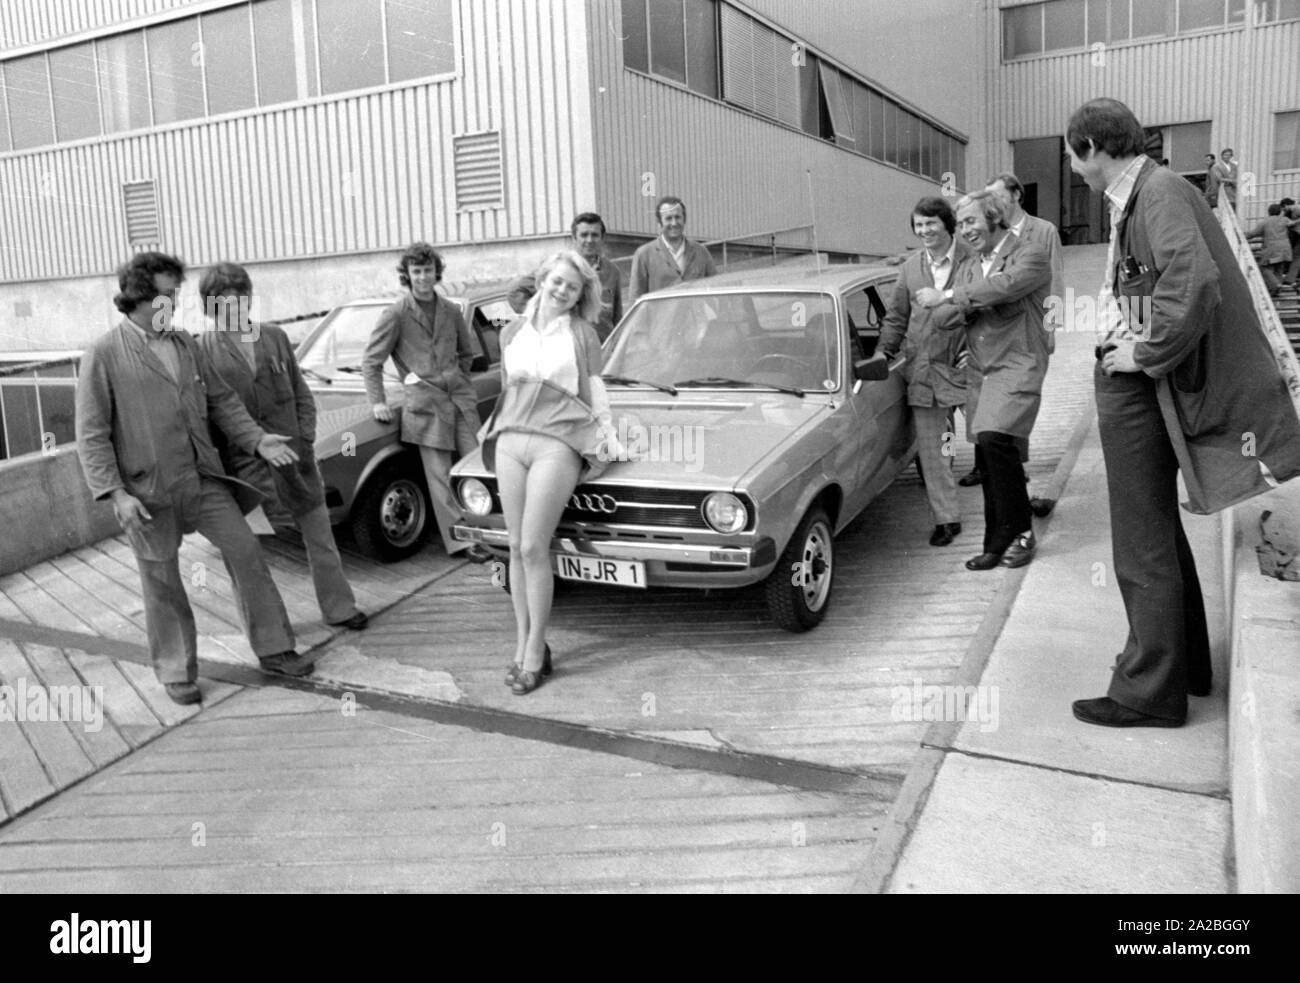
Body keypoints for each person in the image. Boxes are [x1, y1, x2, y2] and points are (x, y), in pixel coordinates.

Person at [1064, 98, 1300, 728]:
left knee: (1140, 543)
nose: (1073, 168)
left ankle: (1148, 691)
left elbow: (1192, 283)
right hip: (1145, 380)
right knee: (1157, 533)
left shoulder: (1157, 193)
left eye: (1073, 155)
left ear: (1091, 146)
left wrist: (1143, 354)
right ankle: (1187, 664)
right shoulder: (1150, 191)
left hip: (1140, 384)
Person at [75, 252, 314, 706]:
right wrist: (116, 494)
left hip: (202, 479)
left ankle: (275, 649)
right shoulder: (103, 354)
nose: (174, 306)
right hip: (146, 492)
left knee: (246, 553)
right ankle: (176, 670)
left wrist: (257, 439)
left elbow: (222, 403)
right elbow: (91, 434)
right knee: (161, 580)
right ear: (138, 300)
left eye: (176, 296)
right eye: (166, 297)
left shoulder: (185, 344)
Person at [482, 250, 626, 695]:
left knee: (533, 545)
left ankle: (534, 651)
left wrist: (608, 437)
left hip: (558, 441)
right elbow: (507, 390)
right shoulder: (512, 333)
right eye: (557, 281)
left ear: (582, 294)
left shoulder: (583, 333)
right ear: (542, 280)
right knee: (514, 548)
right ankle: (527, 644)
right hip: (510, 438)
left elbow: (594, 391)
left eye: (574, 286)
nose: (563, 291)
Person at [196, 262, 368, 632]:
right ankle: (272, 631)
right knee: (249, 554)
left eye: (241, 298)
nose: (236, 307)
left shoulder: (273, 337)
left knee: (321, 537)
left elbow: (301, 392)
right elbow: (212, 413)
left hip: (296, 460)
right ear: (210, 306)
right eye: (225, 301)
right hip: (245, 470)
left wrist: (305, 436)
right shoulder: (202, 351)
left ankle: (340, 607)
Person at [916, 191, 1052, 572]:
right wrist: (951, 305)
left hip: (1017, 364)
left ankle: (1022, 532)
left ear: (995, 217)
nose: (965, 231)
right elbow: (947, 316)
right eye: (959, 225)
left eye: (971, 221)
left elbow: (1006, 286)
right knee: (991, 457)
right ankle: (996, 541)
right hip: (980, 370)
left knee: (995, 439)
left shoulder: (1030, 253)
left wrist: (948, 296)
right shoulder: (971, 267)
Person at [363, 243, 487, 560]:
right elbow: (371, 361)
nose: (422, 277)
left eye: (428, 270)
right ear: (407, 275)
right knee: (440, 476)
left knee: (476, 465)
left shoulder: (450, 310)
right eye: (416, 272)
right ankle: (461, 542)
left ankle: (487, 533)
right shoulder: (395, 314)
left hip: (459, 400)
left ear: (436, 273)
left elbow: (466, 353)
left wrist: (457, 378)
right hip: (425, 406)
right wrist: (377, 401)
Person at [879, 196, 971, 548]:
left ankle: (1007, 516)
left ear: (948, 224)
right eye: (919, 225)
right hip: (924, 370)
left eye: (931, 223)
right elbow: (896, 317)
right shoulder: (910, 267)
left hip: (967, 365)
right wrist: (882, 354)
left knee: (992, 440)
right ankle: (947, 519)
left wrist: (977, 350)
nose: (925, 231)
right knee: (935, 451)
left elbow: (990, 307)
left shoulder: (972, 259)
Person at [507, 212, 624, 341]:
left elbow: (617, 316)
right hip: (569, 347)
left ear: (602, 238)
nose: (589, 240)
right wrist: (542, 317)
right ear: (574, 238)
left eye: (595, 235)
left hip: (604, 349)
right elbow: (515, 290)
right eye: (584, 235)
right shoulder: (560, 266)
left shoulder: (612, 271)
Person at [628, 196, 716, 302]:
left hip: (696, 318)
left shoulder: (701, 252)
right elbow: (635, 298)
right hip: (661, 318)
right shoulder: (644, 255)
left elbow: (716, 288)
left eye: (677, 217)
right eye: (668, 218)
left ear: (684, 219)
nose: (674, 223)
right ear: (659, 222)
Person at [1245, 203, 1295, 296]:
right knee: (1279, 270)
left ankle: (1276, 285)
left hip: (1272, 250)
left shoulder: (1265, 222)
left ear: (1269, 212)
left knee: (1264, 268)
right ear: (1280, 212)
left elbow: (1253, 233)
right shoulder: (1285, 219)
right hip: (1285, 250)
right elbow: (1292, 224)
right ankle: (1276, 291)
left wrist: (1243, 236)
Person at [1280, 197, 1300, 289]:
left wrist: (1294, 222)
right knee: (1296, 255)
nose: (1283, 211)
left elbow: (1290, 223)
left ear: (1286, 205)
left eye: (1283, 208)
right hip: (1297, 235)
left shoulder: (1297, 208)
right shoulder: (1291, 211)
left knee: (1296, 256)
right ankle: (1290, 278)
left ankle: (1290, 279)